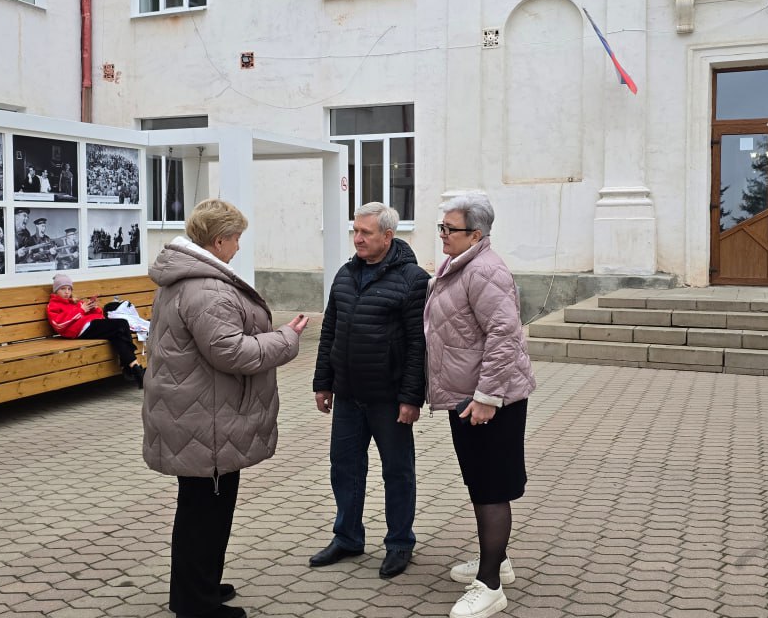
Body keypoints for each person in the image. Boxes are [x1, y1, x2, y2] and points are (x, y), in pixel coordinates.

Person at [143, 198, 308, 618]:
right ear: (218, 241)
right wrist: (287, 338)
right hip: (205, 422)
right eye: (236, 239)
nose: (238, 247)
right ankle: (195, 605)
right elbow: (231, 353)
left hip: (198, 414)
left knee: (205, 510)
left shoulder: (187, 280)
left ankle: (201, 585)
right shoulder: (207, 289)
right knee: (204, 515)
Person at [424, 193, 535, 618]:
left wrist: (488, 397)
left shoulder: (486, 270)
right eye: (441, 228)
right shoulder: (461, 266)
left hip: (489, 400)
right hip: (466, 397)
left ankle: (489, 585)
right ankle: (497, 559)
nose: (442, 236)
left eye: (449, 229)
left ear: (477, 234)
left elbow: (505, 336)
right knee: (480, 483)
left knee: (492, 489)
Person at [310, 202, 429, 579]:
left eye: (365, 233)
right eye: (355, 231)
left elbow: (418, 346)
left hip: (389, 399)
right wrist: (322, 382)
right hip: (348, 395)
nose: (357, 239)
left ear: (388, 237)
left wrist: (411, 397)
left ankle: (399, 543)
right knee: (344, 469)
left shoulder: (413, 280)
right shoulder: (346, 274)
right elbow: (331, 330)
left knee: (397, 472)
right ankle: (347, 537)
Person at [46, 273, 145, 385]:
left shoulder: (75, 301)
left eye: (69, 289)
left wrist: (93, 308)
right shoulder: (53, 305)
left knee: (118, 333)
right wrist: (81, 310)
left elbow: (98, 315)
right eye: (63, 289)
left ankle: (133, 367)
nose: (67, 292)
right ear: (56, 290)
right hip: (78, 331)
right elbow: (59, 324)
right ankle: (130, 366)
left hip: (89, 325)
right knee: (121, 324)